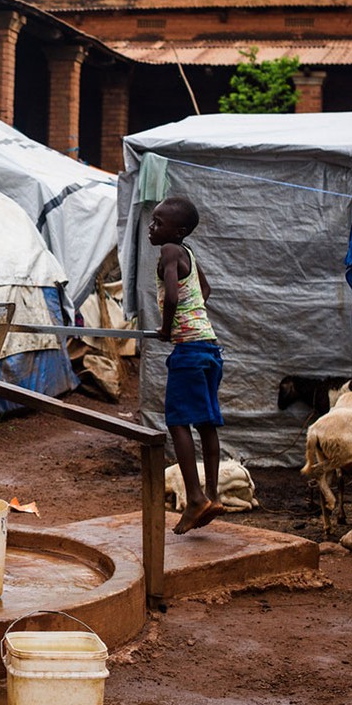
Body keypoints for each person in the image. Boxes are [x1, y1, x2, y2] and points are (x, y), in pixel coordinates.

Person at [149, 196, 225, 535]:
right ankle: (213, 494)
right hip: (208, 346)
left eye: (158, 223)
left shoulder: (168, 251)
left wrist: (168, 328)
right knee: (206, 423)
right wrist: (193, 320)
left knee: (178, 421)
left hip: (189, 352)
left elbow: (173, 296)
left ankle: (195, 499)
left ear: (177, 230)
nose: (152, 227)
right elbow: (203, 289)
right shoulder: (189, 254)